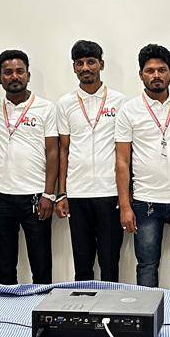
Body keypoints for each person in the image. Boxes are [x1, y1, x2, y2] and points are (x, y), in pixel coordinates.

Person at [115, 44, 170, 291]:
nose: (156, 76)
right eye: (150, 71)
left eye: (162, 70)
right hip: (146, 200)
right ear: (141, 74)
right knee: (147, 266)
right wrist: (125, 206)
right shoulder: (129, 110)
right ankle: (147, 313)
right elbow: (122, 161)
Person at [0, 49, 60, 284]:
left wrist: (49, 194)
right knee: (4, 264)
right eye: (8, 72)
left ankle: (41, 307)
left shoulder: (46, 108)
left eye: (20, 71)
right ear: (0, 78)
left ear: (28, 75)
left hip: (36, 197)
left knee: (41, 263)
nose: (14, 76)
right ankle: (8, 306)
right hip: (0, 195)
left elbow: (53, 153)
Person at [56, 40, 127, 282]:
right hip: (78, 193)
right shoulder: (65, 103)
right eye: (80, 63)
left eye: (91, 62)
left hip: (110, 192)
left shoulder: (120, 101)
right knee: (82, 263)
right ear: (74, 68)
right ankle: (83, 304)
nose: (86, 67)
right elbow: (63, 150)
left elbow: (125, 151)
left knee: (110, 263)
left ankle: (110, 304)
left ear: (101, 64)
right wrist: (62, 193)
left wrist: (126, 193)